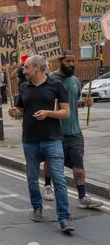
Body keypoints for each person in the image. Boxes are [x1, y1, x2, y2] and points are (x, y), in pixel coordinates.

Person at [8, 55, 75, 234]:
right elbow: (21, 110)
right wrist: (14, 112)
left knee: (59, 179)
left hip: (52, 139)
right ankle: (37, 207)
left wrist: (48, 113)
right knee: (31, 178)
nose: (24, 70)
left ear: (37, 68)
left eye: (27, 67)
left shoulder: (56, 85)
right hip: (30, 139)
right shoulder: (24, 87)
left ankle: (63, 217)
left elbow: (66, 112)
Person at [42, 51, 103, 209]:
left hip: (75, 131)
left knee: (79, 164)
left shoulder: (75, 80)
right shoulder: (50, 80)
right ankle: (48, 186)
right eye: (68, 61)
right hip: (55, 131)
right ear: (59, 61)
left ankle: (82, 197)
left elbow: (72, 103)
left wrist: (84, 103)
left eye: (73, 61)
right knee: (50, 161)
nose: (72, 64)